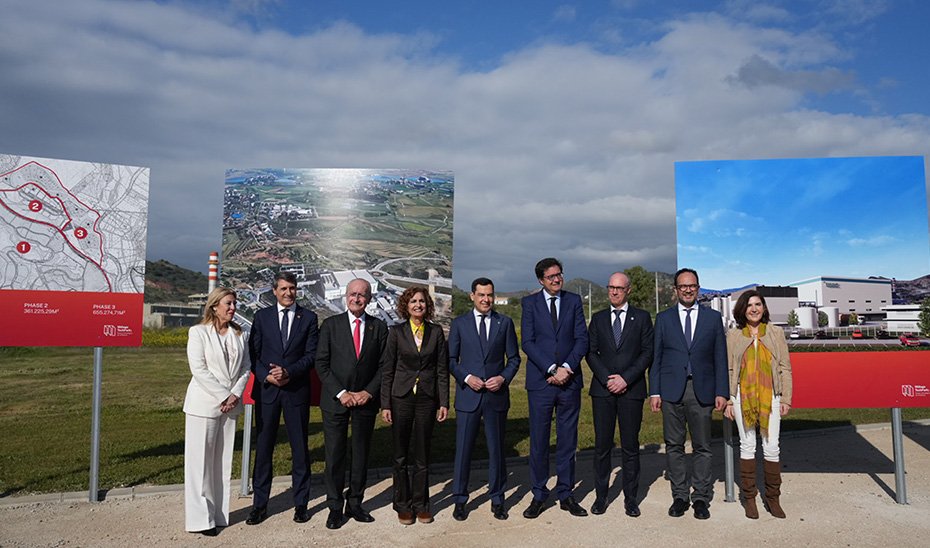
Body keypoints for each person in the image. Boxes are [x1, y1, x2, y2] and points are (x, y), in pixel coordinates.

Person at [649, 268, 727, 520]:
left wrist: (722, 391)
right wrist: (655, 391)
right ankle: (680, 496)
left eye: (692, 285)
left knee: (703, 447)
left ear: (698, 288)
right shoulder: (663, 319)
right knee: (674, 446)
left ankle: (701, 497)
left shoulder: (712, 318)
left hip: (701, 390)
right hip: (671, 391)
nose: (687, 289)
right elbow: (656, 358)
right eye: (683, 286)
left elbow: (720, 357)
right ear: (675, 289)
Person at [246, 272, 319, 526]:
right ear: (274, 291)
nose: (288, 293)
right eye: (284, 288)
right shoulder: (261, 317)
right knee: (264, 449)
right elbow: (252, 355)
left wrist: (289, 372)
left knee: (300, 450)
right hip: (268, 392)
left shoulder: (308, 318)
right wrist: (267, 375)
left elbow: (311, 355)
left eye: (292, 288)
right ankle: (259, 505)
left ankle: (301, 504)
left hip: (295, 391)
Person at [315, 278, 389, 530]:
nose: (357, 298)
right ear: (345, 296)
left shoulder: (379, 327)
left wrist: (368, 392)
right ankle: (335, 507)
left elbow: (383, 366)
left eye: (362, 295)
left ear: (369, 299)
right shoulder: (330, 325)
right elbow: (321, 364)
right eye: (353, 294)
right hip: (337, 401)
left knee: (360, 455)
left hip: (365, 402)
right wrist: (342, 392)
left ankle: (355, 503)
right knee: (335, 455)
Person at [521, 257, 589, 519]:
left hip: (569, 382)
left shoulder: (573, 301)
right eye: (551, 277)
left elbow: (582, 339)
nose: (557, 279)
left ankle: (566, 494)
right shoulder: (529, 304)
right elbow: (527, 342)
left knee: (567, 441)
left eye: (559, 274)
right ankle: (539, 494)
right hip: (541, 383)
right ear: (541, 280)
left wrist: (566, 369)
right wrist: (551, 369)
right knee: (538, 442)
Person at [449, 277, 521, 521]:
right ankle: (459, 499)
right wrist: (466, 377)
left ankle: (498, 498)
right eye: (481, 294)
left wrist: (502, 378)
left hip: (495, 397)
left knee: (497, 450)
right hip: (468, 397)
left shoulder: (505, 323)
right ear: (472, 296)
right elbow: (450, 360)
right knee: (463, 451)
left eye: (489, 295)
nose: (486, 299)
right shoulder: (459, 324)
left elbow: (514, 359)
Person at [183, 287, 251, 537]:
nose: (233, 308)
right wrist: (223, 395)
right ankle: (201, 519)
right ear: (214, 306)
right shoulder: (198, 333)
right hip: (203, 406)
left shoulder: (239, 334)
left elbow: (246, 367)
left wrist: (235, 394)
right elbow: (199, 370)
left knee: (222, 464)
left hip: (230, 407)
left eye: (234, 304)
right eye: (228, 304)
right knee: (199, 465)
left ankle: (219, 514)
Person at [586, 272, 654, 517]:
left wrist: (625, 378)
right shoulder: (598, 318)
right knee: (602, 446)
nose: (614, 292)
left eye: (619, 288)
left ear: (629, 290)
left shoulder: (643, 318)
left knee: (630, 446)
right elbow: (590, 353)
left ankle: (630, 499)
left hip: (631, 390)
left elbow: (647, 353)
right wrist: (607, 379)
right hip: (602, 392)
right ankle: (601, 497)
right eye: (610, 287)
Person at [381, 286, 449, 525]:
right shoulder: (396, 332)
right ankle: (402, 505)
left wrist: (443, 401)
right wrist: (385, 404)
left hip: (426, 399)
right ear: (406, 306)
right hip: (401, 398)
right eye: (413, 301)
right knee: (400, 455)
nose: (418, 305)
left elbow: (442, 369)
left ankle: (421, 504)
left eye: (421, 301)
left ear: (426, 305)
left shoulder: (436, 332)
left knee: (422, 454)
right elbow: (387, 370)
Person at [724, 290, 792, 519]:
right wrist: (729, 400)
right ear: (742, 309)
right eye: (749, 305)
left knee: (772, 446)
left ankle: (773, 498)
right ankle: (750, 498)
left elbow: (785, 367)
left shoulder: (775, 332)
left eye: (758, 304)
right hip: (742, 396)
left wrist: (785, 398)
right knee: (747, 445)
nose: (754, 309)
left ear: (764, 308)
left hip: (771, 396)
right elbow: (730, 369)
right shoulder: (734, 336)